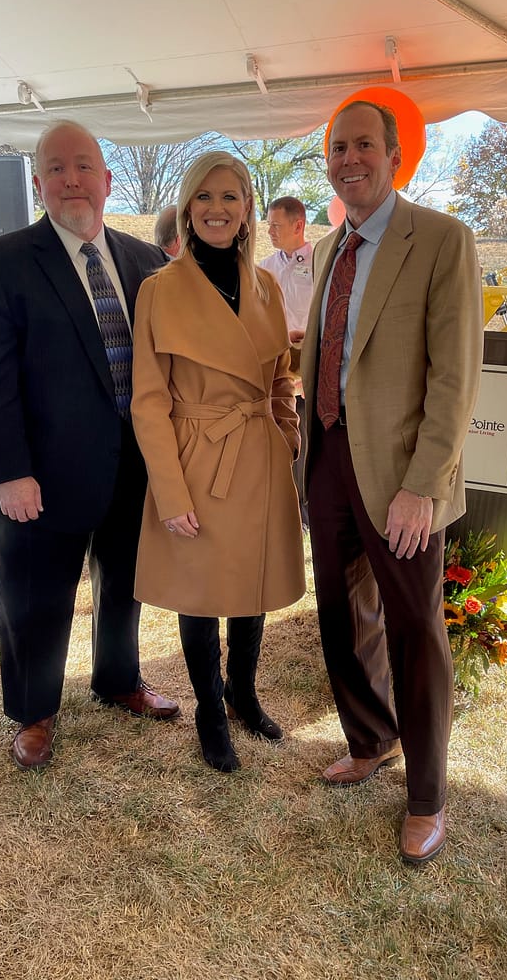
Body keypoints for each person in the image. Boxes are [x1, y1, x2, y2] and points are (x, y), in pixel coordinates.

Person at [0, 119, 179, 771]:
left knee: (124, 586)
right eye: (55, 168)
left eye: (83, 166)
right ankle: (34, 712)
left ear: (107, 181)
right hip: (40, 477)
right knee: (34, 595)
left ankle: (118, 680)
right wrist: (9, 472)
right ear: (38, 184)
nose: (70, 178)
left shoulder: (146, 263)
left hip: (130, 469)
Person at [299, 100, 483, 864]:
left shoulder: (441, 240)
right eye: (338, 146)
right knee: (342, 618)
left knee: (415, 630)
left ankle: (428, 795)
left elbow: (456, 378)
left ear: (395, 154)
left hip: (404, 475)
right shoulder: (323, 250)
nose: (350, 158)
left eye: (364, 144)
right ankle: (370, 738)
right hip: (327, 461)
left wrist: (423, 485)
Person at [131, 151, 305, 773]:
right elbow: (148, 401)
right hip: (197, 457)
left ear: (247, 207)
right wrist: (171, 493)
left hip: (257, 455)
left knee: (250, 585)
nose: (217, 209)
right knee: (202, 591)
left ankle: (244, 694)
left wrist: (284, 434)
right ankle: (210, 708)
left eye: (230, 197)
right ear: (185, 207)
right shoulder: (159, 289)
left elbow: (283, 376)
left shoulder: (265, 285)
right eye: (203, 197)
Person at [258, 196, 314, 528]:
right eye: (268, 224)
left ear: (298, 225)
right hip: (277, 374)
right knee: (282, 437)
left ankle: (306, 506)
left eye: (276, 225)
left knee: (308, 440)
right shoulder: (264, 267)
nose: (269, 231)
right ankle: (281, 504)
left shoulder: (321, 262)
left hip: (312, 371)